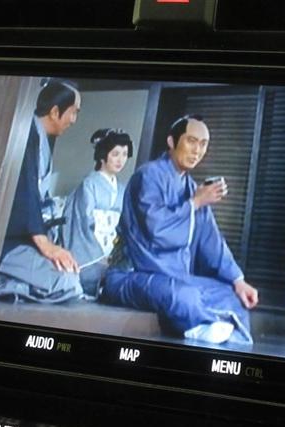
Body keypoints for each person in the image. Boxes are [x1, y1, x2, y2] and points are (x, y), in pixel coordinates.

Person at [101, 115, 258, 345]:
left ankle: (203, 324)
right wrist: (194, 203)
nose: (197, 150)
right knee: (181, 295)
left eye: (203, 144)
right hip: (132, 275)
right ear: (172, 142)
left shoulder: (192, 188)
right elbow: (157, 229)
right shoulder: (148, 175)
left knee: (231, 295)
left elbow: (212, 242)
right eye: (191, 141)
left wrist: (238, 280)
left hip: (174, 277)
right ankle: (199, 326)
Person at [0, 79, 83, 303]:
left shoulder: (39, 137)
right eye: (73, 112)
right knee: (65, 281)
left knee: (72, 275)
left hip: (26, 240)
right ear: (55, 112)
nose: (74, 120)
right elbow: (25, 194)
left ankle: (10, 284)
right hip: (5, 242)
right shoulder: (25, 135)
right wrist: (46, 246)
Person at [62, 128, 134, 296]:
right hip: (91, 251)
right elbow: (81, 223)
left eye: (124, 154)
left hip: (113, 249)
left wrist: (117, 254)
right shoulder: (89, 184)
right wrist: (99, 256)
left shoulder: (123, 189)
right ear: (103, 155)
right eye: (115, 154)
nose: (121, 160)